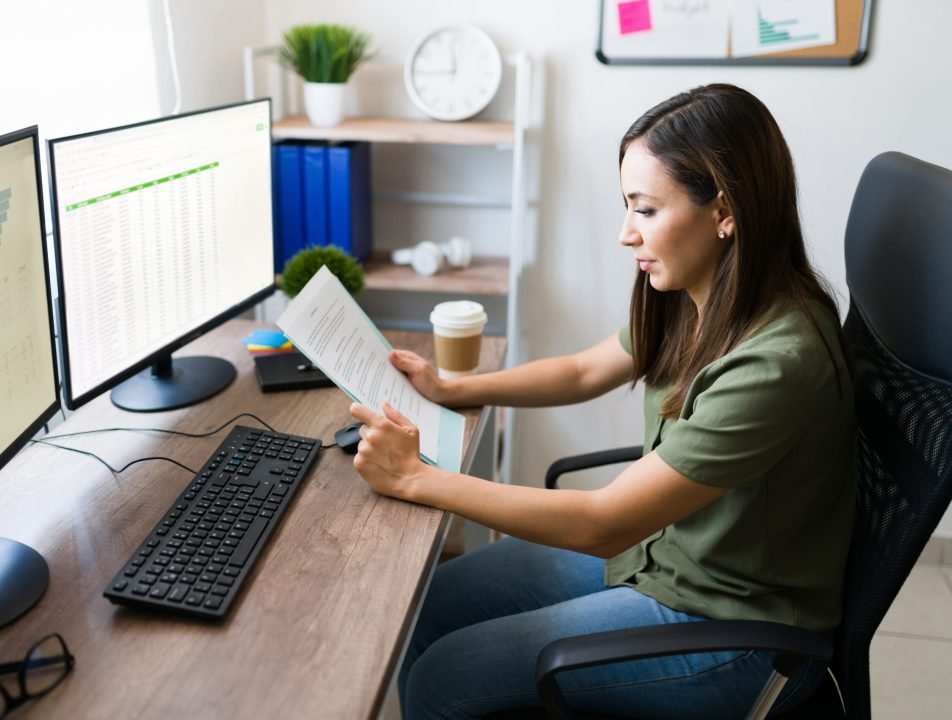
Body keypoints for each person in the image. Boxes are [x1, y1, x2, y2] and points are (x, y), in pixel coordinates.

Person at [349, 83, 856, 719]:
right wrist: (455, 387)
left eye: (644, 210)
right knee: (433, 600)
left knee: (441, 681)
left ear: (724, 210)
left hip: (734, 632)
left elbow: (604, 523)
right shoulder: (701, 296)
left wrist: (417, 479)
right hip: (661, 558)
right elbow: (587, 368)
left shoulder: (776, 362)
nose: (625, 234)